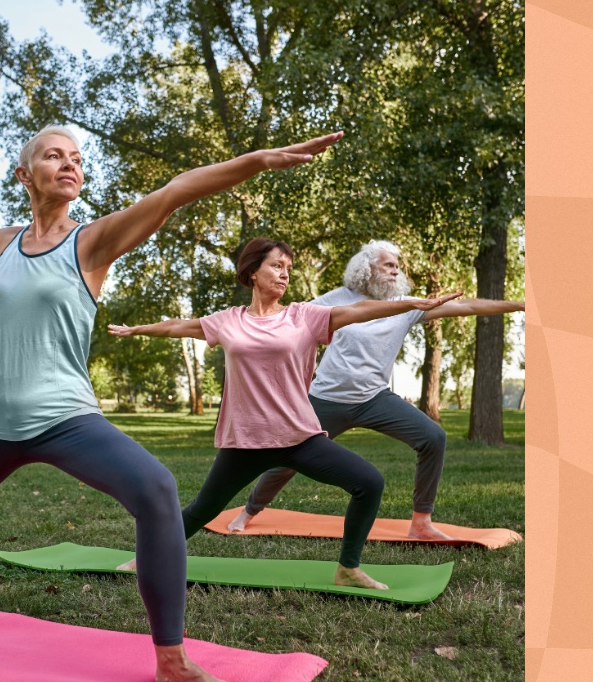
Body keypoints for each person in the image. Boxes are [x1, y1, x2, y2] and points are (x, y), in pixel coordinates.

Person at [0, 125, 344, 682]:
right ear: (25, 174)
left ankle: (172, 658)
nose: (69, 164)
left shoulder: (90, 243)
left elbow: (174, 192)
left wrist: (257, 162)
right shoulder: (5, 244)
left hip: (64, 417)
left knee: (156, 489)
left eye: (76, 158)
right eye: (53, 155)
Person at [109, 238, 460, 589]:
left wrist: (412, 303)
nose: (284, 274)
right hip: (245, 441)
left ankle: (348, 568)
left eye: (288, 269)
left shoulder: (303, 316)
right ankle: (146, 559)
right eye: (277, 266)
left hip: (298, 437)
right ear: (252, 272)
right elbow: (178, 326)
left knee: (369, 482)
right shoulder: (228, 321)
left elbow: (362, 310)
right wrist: (138, 329)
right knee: (202, 510)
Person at [227, 240, 525, 540]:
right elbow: (286, 318)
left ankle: (421, 522)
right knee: (286, 460)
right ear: (367, 268)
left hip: (373, 398)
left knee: (433, 437)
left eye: (398, 266)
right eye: (389, 265)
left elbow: (468, 305)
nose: (396, 271)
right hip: (326, 399)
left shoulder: (406, 305)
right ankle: (249, 511)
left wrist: (521, 305)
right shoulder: (337, 300)